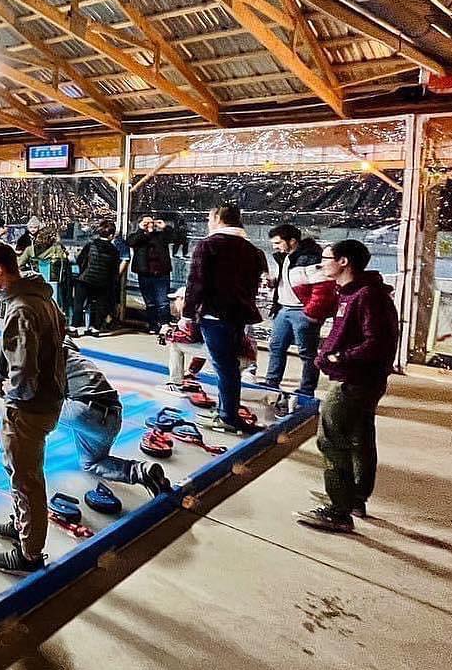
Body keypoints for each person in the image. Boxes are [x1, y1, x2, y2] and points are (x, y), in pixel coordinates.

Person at [0, 240, 65, 575]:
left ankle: (29, 554)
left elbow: (24, 372)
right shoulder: (40, 297)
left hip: (29, 407)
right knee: (21, 471)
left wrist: (12, 396)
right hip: (48, 398)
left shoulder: (22, 307)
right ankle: (22, 524)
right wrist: (0, 373)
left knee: (25, 477)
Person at [296, 240, 399, 533]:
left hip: (356, 380)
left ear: (344, 261)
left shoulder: (367, 295)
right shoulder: (351, 292)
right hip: (359, 378)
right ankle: (353, 498)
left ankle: (338, 510)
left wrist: (338, 357)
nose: (321, 263)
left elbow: (377, 342)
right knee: (359, 437)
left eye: (326, 258)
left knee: (330, 439)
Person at [184, 204, 269, 434]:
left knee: (226, 367)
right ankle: (227, 410)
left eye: (209, 218)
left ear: (218, 217)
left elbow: (196, 283)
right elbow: (253, 287)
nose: (208, 222)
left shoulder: (209, 245)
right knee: (229, 366)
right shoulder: (252, 250)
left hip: (214, 315)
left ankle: (228, 416)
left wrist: (187, 314)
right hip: (238, 316)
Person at [61, 339, 171, 495]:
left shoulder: (44, 354)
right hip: (114, 416)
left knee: (31, 405)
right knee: (92, 463)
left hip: (83, 411)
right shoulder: (71, 351)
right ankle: (141, 471)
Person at [264, 224, 325, 399]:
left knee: (307, 353)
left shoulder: (310, 259)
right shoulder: (284, 258)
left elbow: (322, 288)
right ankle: (271, 382)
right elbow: (289, 281)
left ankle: (307, 390)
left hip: (302, 311)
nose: (275, 247)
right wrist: (273, 282)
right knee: (276, 346)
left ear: (292, 241)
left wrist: (311, 313)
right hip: (284, 308)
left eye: (278, 243)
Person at [72, 220, 121, 336]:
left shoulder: (91, 245)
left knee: (79, 303)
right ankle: (96, 328)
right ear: (111, 235)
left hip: (85, 279)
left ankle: (74, 327)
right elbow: (114, 269)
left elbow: (80, 260)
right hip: (103, 282)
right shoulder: (114, 250)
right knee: (100, 305)